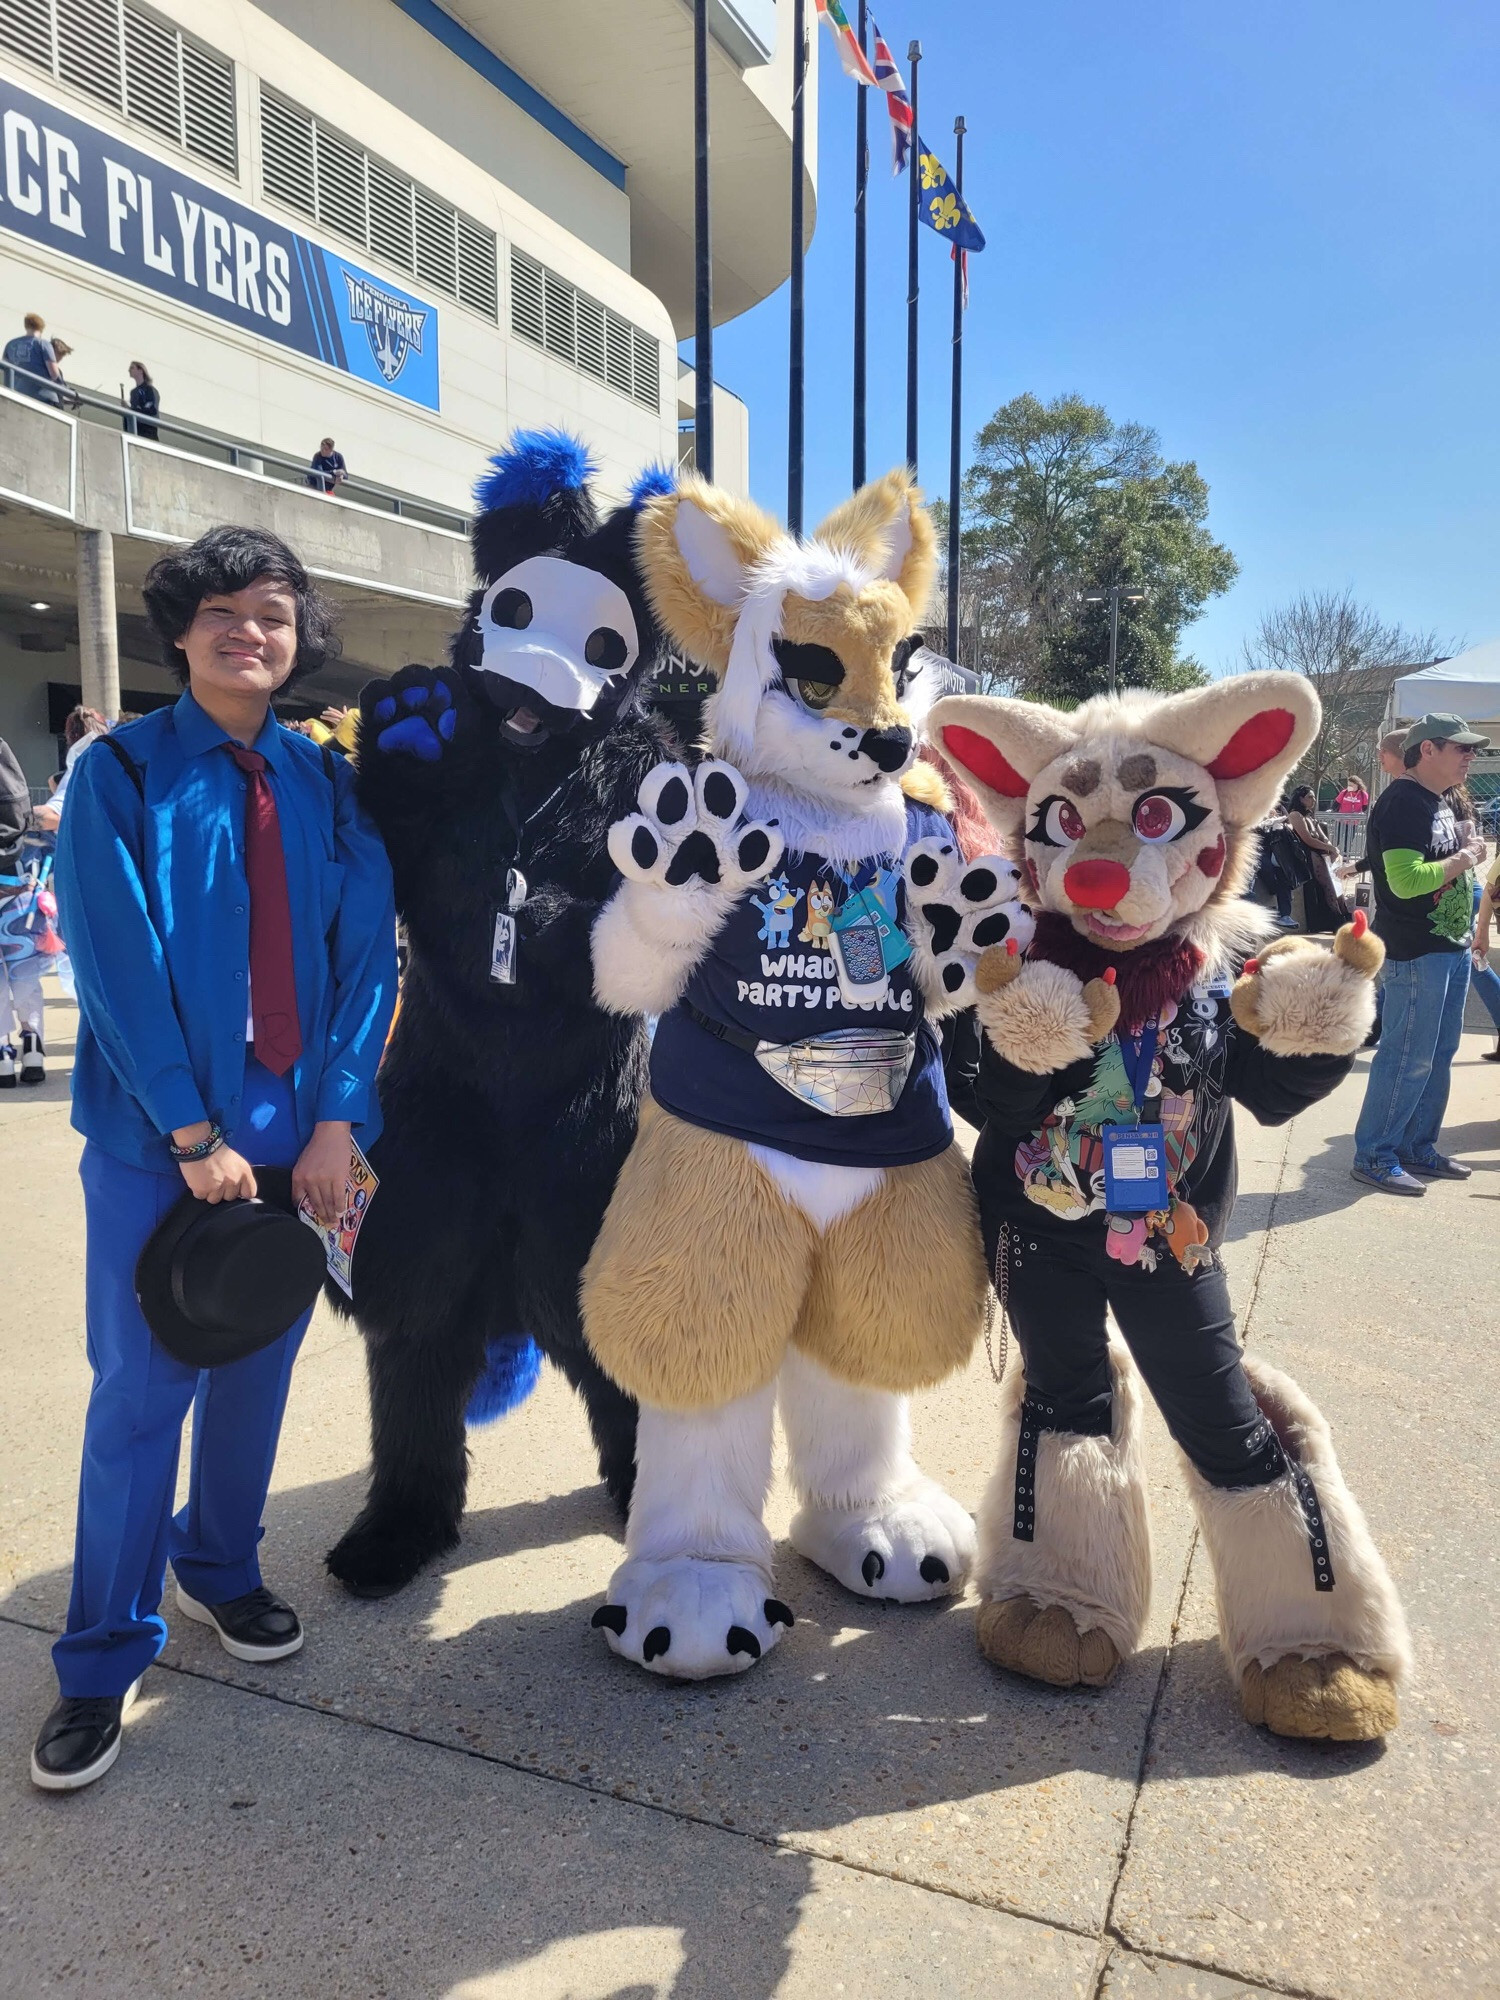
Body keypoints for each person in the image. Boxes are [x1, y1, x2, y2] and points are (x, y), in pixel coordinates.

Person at [31, 526, 397, 1791]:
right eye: (227, 610)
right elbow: (115, 959)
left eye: (277, 612)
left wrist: (339, 1120)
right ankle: (97, 1656)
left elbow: (365, 958)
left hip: (298, 1119)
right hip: (154, 1125)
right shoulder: (120, 772)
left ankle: (221, 1568)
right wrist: (190, 1131)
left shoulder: (324, 781)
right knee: (140, 1388)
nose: (254, 630)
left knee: (257, 1359)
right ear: (182, 629)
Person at [1352, 713, 1488, 1195]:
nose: (1471, 756)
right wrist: (1466, 858)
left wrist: (1465, 851)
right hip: (1417, 951)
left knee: (1438, 1054)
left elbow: (1441, 863)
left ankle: (1415, 1146)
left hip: (1445, 948)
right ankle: (1375, 1154)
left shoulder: (1436, 800)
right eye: (1462, 748)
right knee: (1409, 1055)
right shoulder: (1403, 802)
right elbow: (1407, 883)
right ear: (1426, 750)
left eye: (1472, 749)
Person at [0, 730, 45, 1084]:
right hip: (17, 887)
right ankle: (32, 1045)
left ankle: (2, 1052)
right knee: (25, 972)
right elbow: (18, 807)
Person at [1285, 783, 1348, 931]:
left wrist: (1332, 849)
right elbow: (1307, 839)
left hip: (1321, 853)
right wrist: (1330, 848)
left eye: (1314, 797)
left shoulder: (1310, 815)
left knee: (1336, 885)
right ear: (1300, 799)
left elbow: (1322, 836)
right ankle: (1337, 919)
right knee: (1328, 885)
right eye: (1309, 797)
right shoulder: (1295, 815)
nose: (1313, 800)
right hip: (1308, 854)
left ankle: (1343, 915)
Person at [2, 312, 61, 403]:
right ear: (41, 328)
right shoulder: (43, 344)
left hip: (17, 395)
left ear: (26, 326)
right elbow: (54, 374)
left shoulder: (11, 344)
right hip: (44, 398)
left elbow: (5, 369)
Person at [127, 361, 160, 441]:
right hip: (136, 430)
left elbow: (151, 409)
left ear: (140, 370)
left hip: (148, 431)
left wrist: (131, 410)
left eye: (132, 367)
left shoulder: (149, 390)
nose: (129, 370)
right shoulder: (133, 392)